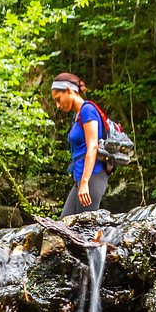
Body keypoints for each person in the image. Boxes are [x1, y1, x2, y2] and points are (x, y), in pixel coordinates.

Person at [51, 72, 108, 219]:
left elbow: (93, 146)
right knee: (65, 225)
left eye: (58, 99)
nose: (58, 105)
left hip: (92, 178)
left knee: (85, 231)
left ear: (69, 91)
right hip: (80, 178)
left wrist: (84, 183)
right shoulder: (76, 116)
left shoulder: (88, 110)